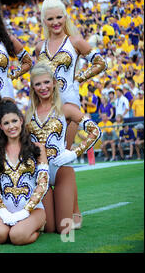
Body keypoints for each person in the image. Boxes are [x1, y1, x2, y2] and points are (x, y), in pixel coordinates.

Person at [26, 63, 101, 233]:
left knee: (64, 229)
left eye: (46, 82)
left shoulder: (66, 108)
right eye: (38, 84)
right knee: (49, 228)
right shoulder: (28, 113)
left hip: (61, 169)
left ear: (53, 82)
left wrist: (74, 152)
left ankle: (74, 209)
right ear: (33, 87)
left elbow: (95, 131)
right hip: (40, 173)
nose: (43, 87)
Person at [35, 0, 107, 149]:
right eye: (50, 19)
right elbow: (37, 78)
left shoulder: (75, 41)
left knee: (63, 153)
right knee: (44, 156)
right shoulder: (39, 47)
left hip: (69, 101)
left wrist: (79, 78)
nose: (55, 22)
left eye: (59, 17)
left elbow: (101, 63)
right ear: (44, 21)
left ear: (65, 17)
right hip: (44, 105)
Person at [0, 100, 48, 245]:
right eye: (6, 123)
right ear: (1, 126)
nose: (11, 126)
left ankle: (37, 227)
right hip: (5, 210)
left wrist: (26, 211)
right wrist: (1, 210)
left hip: (33, 210)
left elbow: (43, 183)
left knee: (17, 237)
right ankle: (16, 225)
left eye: (14, 121)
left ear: (21, 120)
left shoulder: (37, 147)